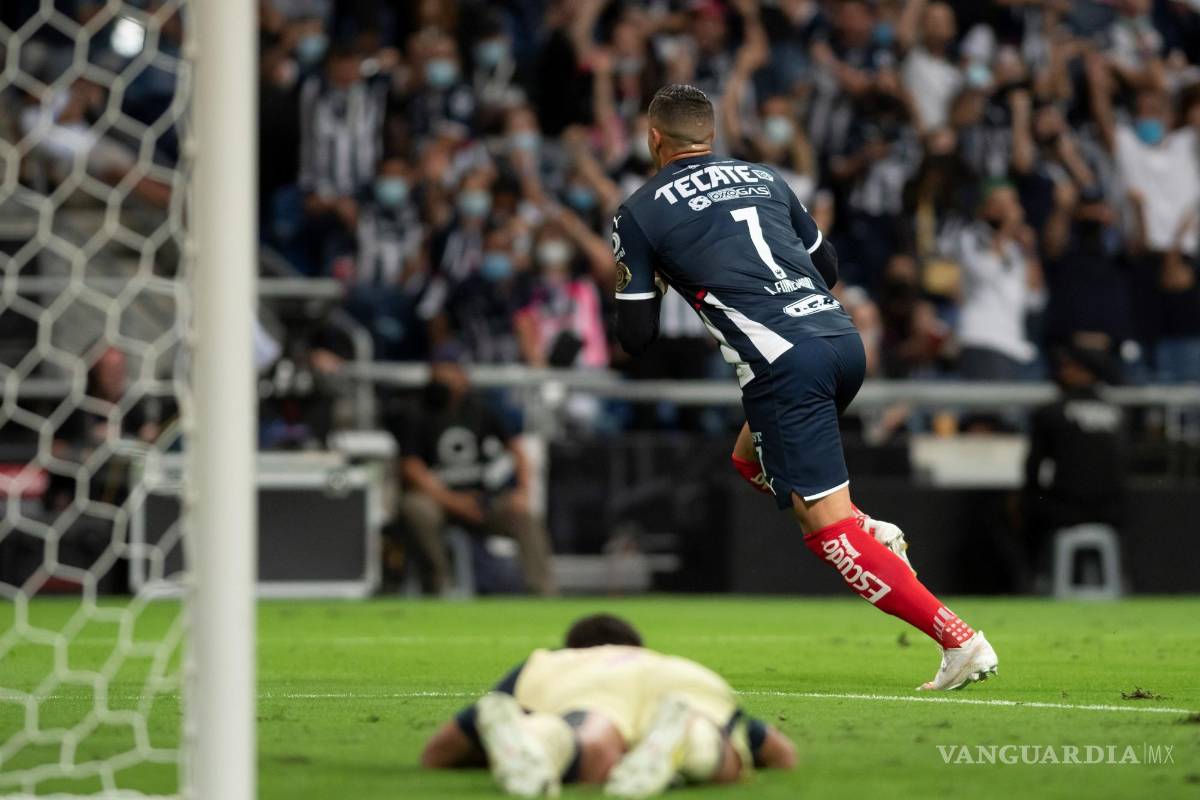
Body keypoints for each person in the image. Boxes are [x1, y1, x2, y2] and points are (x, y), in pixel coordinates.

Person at [612, 84, 997, 693]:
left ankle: (957, 639)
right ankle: (869, 529)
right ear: (709, 134)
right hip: (842, 341)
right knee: (747, 459)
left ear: (653, 137)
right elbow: (830, 269)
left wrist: (657, 281)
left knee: (823, 529)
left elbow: (635, 338)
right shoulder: (764, 178)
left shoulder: (638, 210)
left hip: (781, 362)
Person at [420, 614, 797, 798]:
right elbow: (782, 754)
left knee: (589, 732)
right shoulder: (662, 663)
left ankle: (536, 745)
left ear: (573, 648)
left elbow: (438, 752)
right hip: (679, 682)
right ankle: (690, 740)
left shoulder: (556, 661)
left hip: (579, 687)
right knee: (717, 739)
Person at [393, 347, 556, 595]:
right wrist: (453, 501)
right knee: (415, 508)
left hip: (482, 500)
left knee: (524, 517)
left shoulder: (481, 410)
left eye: (449, 371)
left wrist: (522, 491)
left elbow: (518, 451)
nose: (443, 377)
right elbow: (411, 468)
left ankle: (542, 592)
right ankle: (438, 586)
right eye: (438, 371)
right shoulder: (417, 412)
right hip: (439, 500)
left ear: (463, 376)